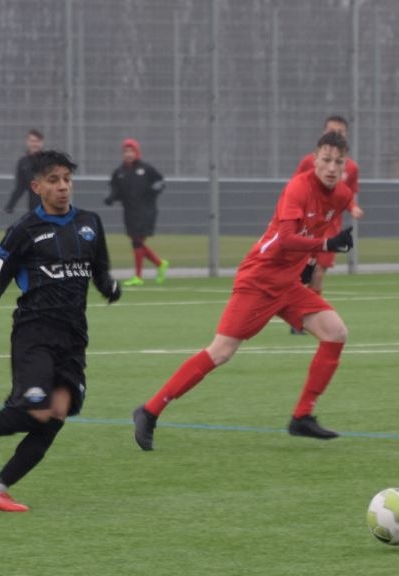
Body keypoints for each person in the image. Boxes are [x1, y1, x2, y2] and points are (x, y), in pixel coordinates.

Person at [131, 130, 356, 451]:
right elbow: (286, 239)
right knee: (221, 351)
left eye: (339, 162)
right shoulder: (298, 188)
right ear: (314, 159)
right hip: (260, 279)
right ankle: (150, 410)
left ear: (346, 165)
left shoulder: (342, 195)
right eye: (326, 160)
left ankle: (302, 417)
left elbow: (325, 228)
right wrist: (325, 245)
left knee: (336, 333)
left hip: (288, 284)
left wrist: (315, 259)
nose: (332, 167)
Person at [0, 150, 122, 512]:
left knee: (57, 414)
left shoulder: (90, 223)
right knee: (36, 411)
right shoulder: (23, 230)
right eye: (54, 180)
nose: (63, 186)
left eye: (67, 179)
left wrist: (110, 288)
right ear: (36, 187)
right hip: (34, 333)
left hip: (74, 336)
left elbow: (99, 271)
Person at [289, 115, 364, 334]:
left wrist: (353, 208)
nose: (332, 168)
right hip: (307, 226)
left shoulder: (351, 168)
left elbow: (348, 194)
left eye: (341, 132)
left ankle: (306, 316)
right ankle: (295, 311)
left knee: (319, 271)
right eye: (332, 131)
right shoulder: (309, 162)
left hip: (330, 227)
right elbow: (295, 187)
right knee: (301, 271)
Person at [104, 138, 168, 286]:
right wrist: (110, 198)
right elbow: (116, 190)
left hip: (146, 210)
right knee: (136, 242)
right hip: (129, 212)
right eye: (126, 151)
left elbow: (160, 181)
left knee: (137, 241)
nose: (128, 154)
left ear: (137, 152)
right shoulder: (119, 172)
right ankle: (160, 264)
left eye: (131, 151)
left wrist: (157, 187)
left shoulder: (146, 168)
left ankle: (138, 276)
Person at [3, 129, 45, 215]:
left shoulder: (49, 161)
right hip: (34, 208)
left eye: (37, 141)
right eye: (32, 141)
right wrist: (10, 205)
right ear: (27, 142)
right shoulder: (23, 163)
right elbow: (20, 187)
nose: (35, 144)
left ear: (41, 143)